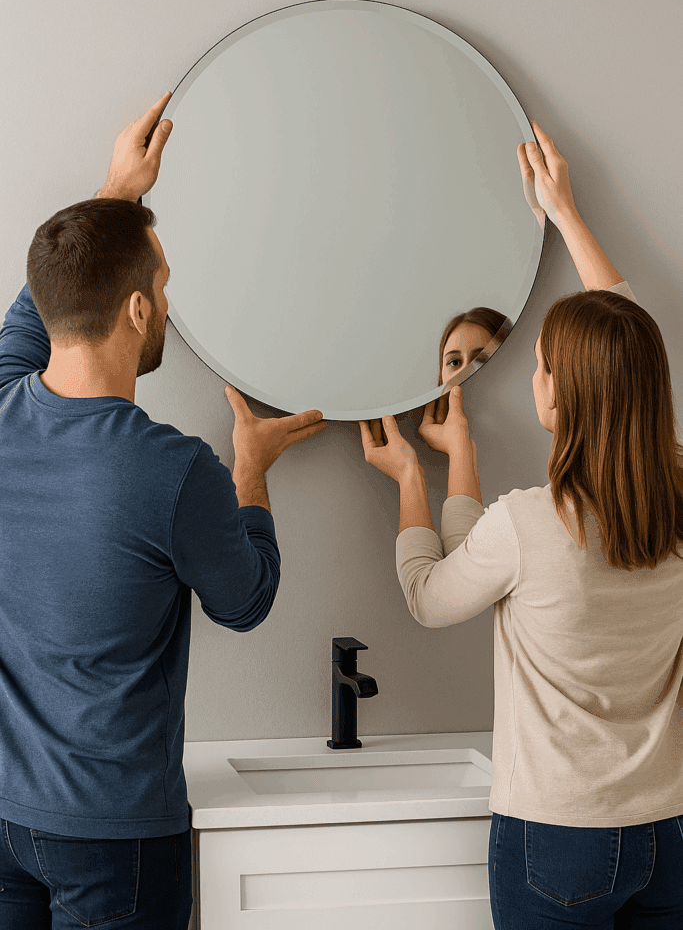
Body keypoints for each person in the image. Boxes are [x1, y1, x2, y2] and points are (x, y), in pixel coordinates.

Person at [0, 94, 681, 929]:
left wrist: (115, 189)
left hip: (9, 813)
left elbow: (51, 295)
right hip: (669, 826)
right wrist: (249, 471)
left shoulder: (6, 405)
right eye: (164, 287)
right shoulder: (171, 470)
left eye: (538, 365)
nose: (170, 302)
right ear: (139, 308)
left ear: (558, 393)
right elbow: (245, 600)